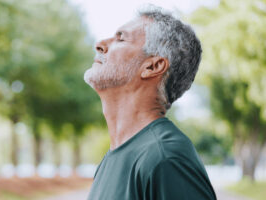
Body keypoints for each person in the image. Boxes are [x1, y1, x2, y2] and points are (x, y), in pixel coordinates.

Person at [84, 5, 217, 200]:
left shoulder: (166, 157)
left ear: (153, 66)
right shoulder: (112, 158)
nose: (100, 44)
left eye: (120, 38)